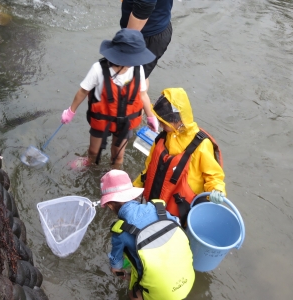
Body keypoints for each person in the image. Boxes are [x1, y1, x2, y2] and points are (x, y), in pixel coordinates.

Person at [61, 29, 159, 169]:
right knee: (94, 151)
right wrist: (71, 111)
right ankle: (89, 161)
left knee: (118, 156)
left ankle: (115, 174)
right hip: (102, 118)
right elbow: (83, 91)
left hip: (125, 121)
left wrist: (151, 117)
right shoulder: (98, 69)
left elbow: (143, 94)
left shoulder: (138, 70)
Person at [133, 87, 227, 226]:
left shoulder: (201, 144)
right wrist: (134, 188)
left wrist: (217, 190)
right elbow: (149, 167)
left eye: (164, 122)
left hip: (178, 211)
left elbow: (214, 175)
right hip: (155, 202)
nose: (161, 125)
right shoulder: (163, 138)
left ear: (178, 120)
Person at [100, 169, 195, 300]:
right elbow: (176, 223)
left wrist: (120, 271)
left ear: (110, 205)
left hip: (164, 294)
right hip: (188, 279)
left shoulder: (120, 231)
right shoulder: (158, 207)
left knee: (133, 294)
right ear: (133, 195)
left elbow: (116, 266)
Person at [121, 0, 173, 87]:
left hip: (147, 36)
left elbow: (142, 11)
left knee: (131, 81)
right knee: (141, 77)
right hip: (152, 25)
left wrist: (126, 48)